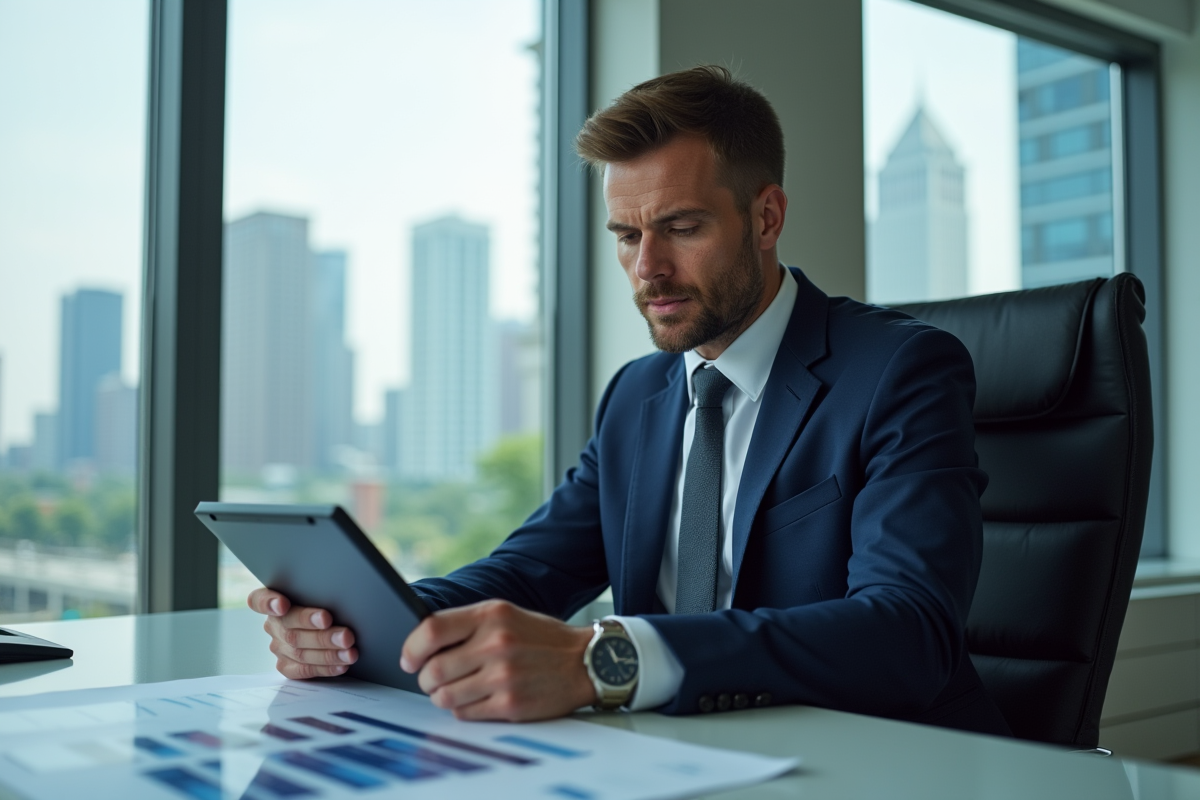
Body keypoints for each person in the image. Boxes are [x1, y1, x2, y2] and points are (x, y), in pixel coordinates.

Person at [249, 66, 1010, 736]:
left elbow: (911, 634)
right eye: (625, 234)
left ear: (767, 217)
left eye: (682, 227)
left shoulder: (900, 370)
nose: (648, 268)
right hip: (674, 761)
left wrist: (604, 661)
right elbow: (526, 573)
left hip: (877, 763)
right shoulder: (637, 395)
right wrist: (368, 621)